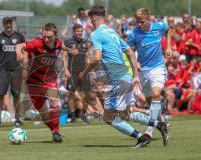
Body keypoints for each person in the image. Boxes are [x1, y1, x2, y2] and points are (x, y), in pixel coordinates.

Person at [79, 5, 168, 148]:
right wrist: (135, 75)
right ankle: (158, 124)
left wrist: (84, 72)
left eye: (90, 18)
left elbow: (96, 57)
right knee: (126, 114)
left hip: (118, 79)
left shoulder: (96, 34)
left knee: (109, 117)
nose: (90, 21)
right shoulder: (113, 32)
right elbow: (131, 53)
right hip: (126, 76)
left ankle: (143, 136)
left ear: (93, 18)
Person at [16, 23, 69, 143]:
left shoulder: (58, 43)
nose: (46, 39)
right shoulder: (37, 43)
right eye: (44, 36)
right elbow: (20, 45)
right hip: (33, 81)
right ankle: (55, 131)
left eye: (49, 37)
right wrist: (18, 51)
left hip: (49, 79)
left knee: (53, 101)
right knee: (43, 113)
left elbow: (63, 48)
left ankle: (56, 131)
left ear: (55, 35)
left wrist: (67, 67)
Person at [127, 8, 172, 142]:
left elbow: (168, 29)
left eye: (142, 22)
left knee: (156, 94)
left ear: (149, 18)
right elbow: (128, 51)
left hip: (158, 67)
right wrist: (135, 63)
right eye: (137, 22)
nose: (139, 24)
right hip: (143, 71)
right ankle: (162, 122)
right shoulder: (134, 33)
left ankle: (150, 130)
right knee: (149, 100)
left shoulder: (159, 26)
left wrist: (169, 47)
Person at [0, 16, 25, 128]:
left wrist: (25, 68)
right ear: (3, 24)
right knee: (0, 94)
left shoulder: (19, 37)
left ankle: (18, 118)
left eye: (10, 23)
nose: (8, 25)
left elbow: (25, 53)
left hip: (17, 70)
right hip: (2, 70)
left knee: (16, 95)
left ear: (12, 24)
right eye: (6, 23)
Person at [63, 23, 92, 123]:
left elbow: (88, 57)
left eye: (81, 31)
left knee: (87, 94)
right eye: (77, 31)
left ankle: (82, 113)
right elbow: (64, 56)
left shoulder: (86, 43)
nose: (79, 33)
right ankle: (72, 115)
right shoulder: (68, 42)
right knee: (71, 93)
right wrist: (66, 70)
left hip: (83, 71)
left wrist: (89, 69)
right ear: (74, 32)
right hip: (72, 71)